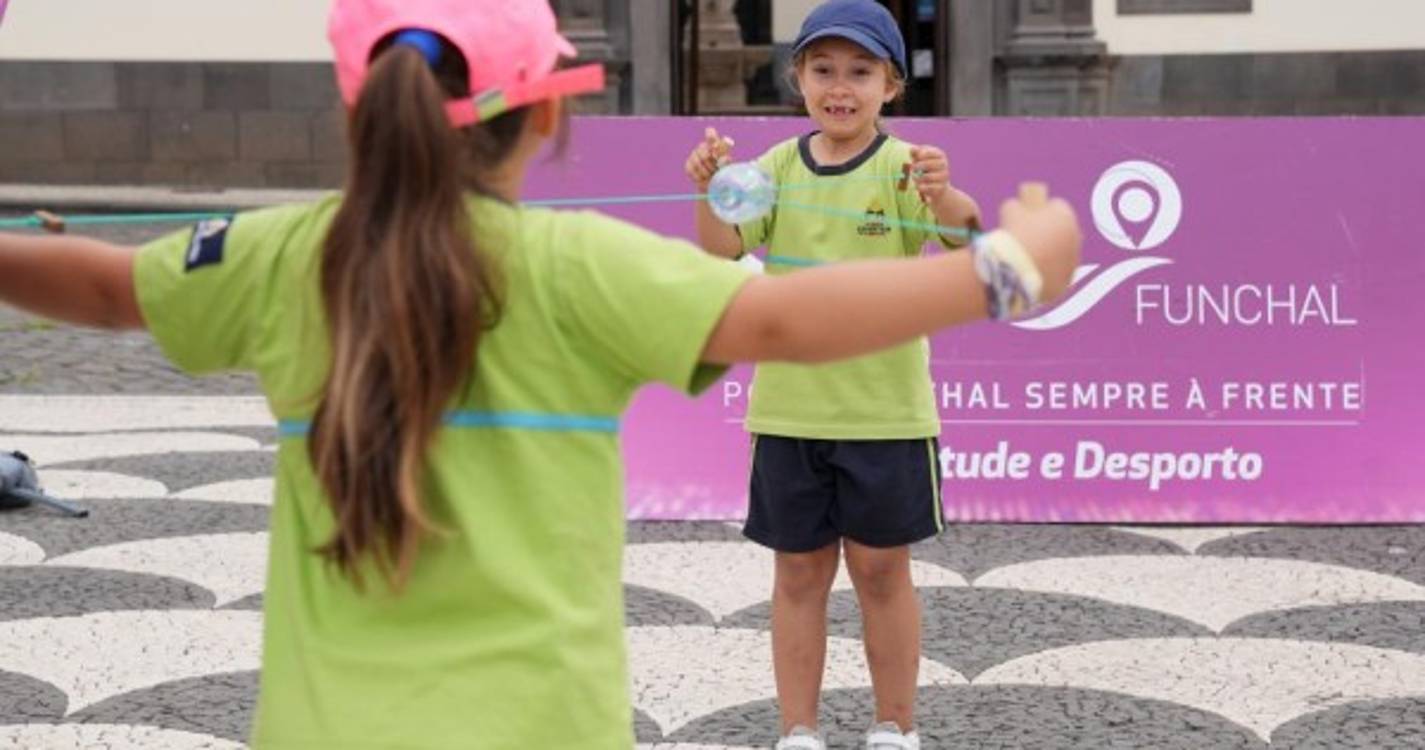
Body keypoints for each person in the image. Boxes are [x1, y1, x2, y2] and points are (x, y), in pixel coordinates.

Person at [0, 0, 1080, 746]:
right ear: (552, 113)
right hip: (546, 728)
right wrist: (1007, 270)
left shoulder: (284, 255)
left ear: (355, 109)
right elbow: (785, 316)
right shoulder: (579, 265)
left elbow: (102, 288)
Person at [683, 1, 991, 748]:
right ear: (798, 80)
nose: (840, 86)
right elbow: (721, 247)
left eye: (860, 71)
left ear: (892, 86)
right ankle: (799, 730)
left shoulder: (904, 167)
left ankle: (895, 726)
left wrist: (941, 194)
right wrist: (709, 188)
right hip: (788, 413)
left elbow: (966, 235)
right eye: (823, 69)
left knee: (883, 572)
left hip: (885, 416)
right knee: (797, 576)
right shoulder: (774, 170)